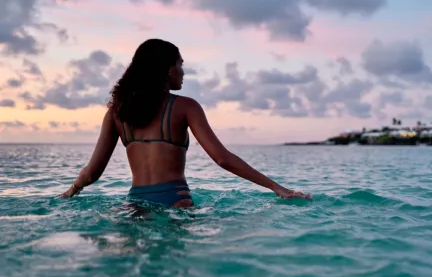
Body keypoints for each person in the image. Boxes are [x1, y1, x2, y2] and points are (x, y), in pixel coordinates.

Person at [61, 38, 311, 207]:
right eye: (180, 64)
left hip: (135, 205)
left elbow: (92, 173)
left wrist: (71, 191)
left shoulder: (117, 113)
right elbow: (222, 158)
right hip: (176, 201)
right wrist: (278, 188)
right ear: (168, 69)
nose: (183, 71)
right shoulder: (185, 107)